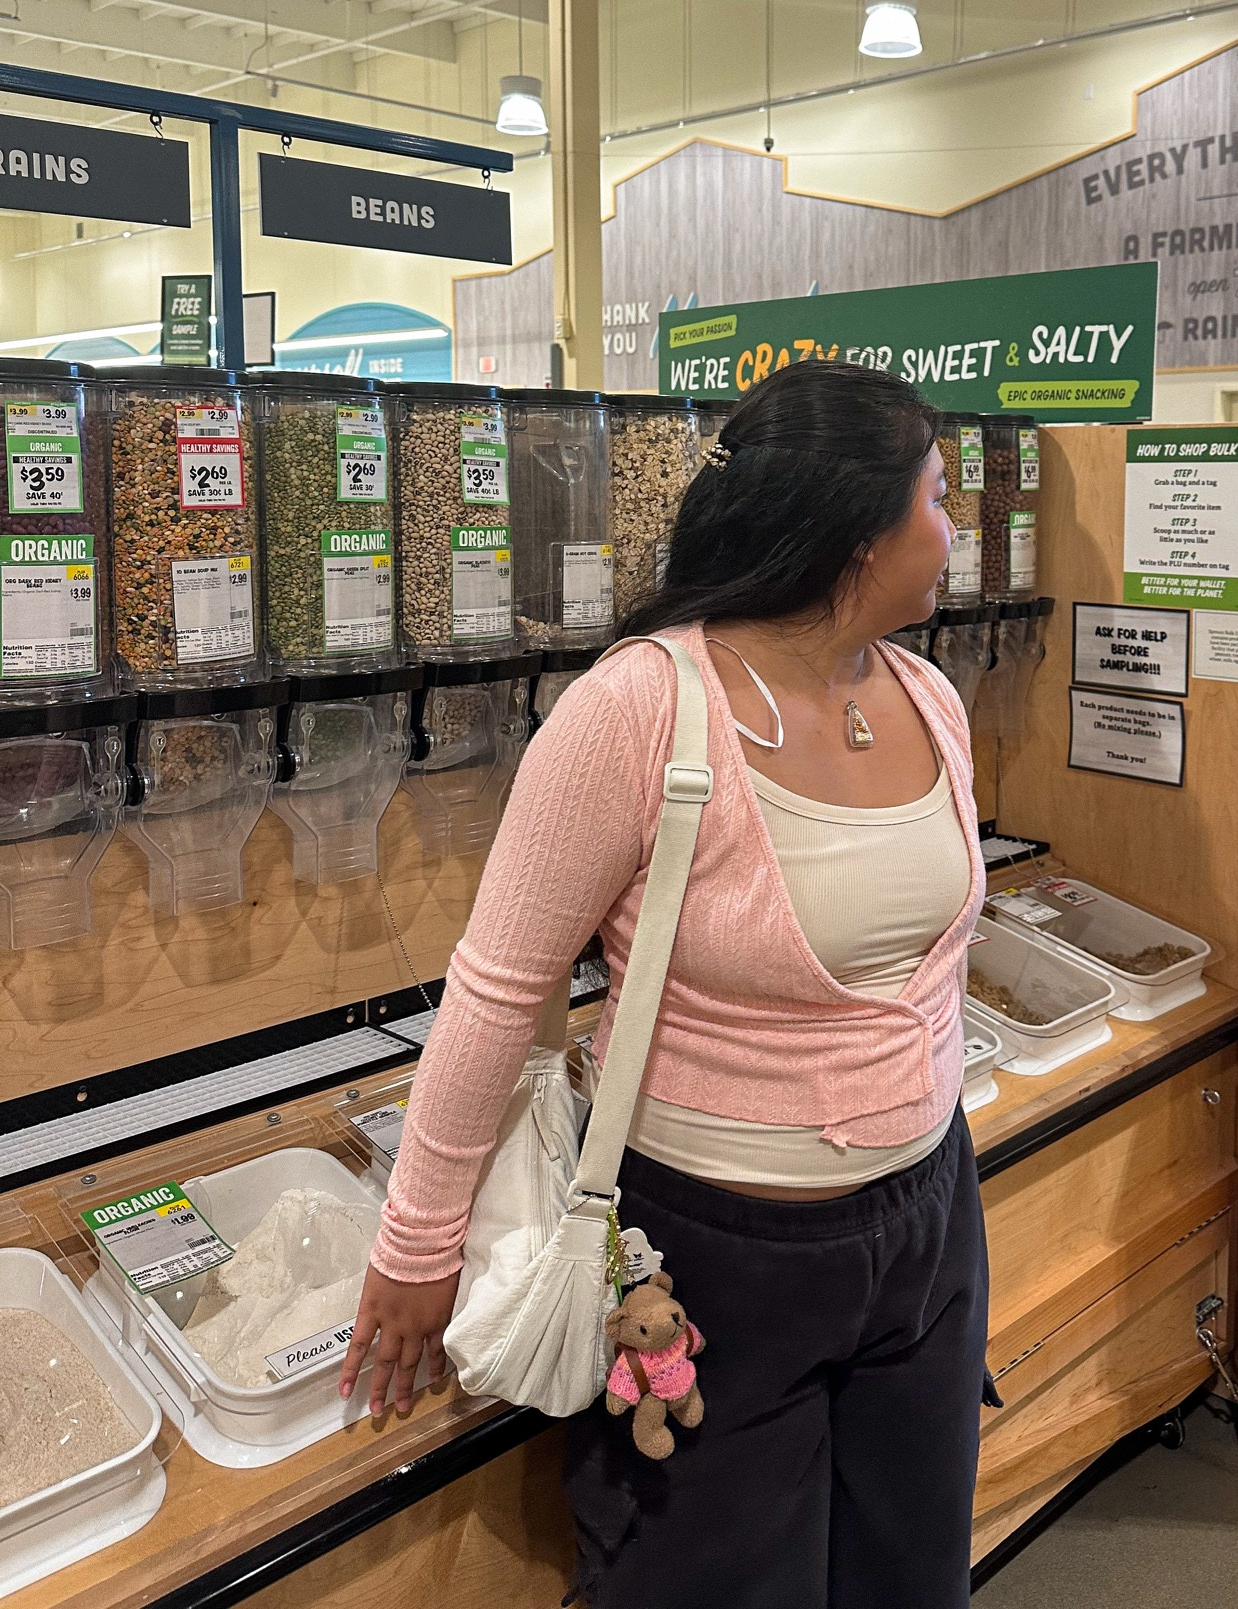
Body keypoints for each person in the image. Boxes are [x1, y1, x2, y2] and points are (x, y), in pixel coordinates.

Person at [341, 362, 989, 1609]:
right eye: (939, 498)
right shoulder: (639, 707)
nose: (954, 530)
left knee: (913, 1577)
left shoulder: (932, 697)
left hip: (926, 1220)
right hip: (708, 1259)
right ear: (856, 529)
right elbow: (495, 988)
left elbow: (930, 966)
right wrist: (418, 1242)